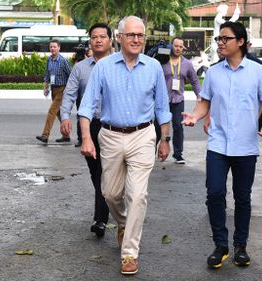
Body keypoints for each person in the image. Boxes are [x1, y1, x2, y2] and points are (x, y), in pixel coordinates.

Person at [78, 16, 172, 275]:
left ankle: (129, 253)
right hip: (109, 136)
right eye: (131, 35)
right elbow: (86, 107)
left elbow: (163, 109)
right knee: (110, 193)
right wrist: (86, 137)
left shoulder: (153, 67)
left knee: (138, 195)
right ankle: (123, 223)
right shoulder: (104, 67)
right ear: (119, 38)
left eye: (140, 35)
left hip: (143, 136)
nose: (136, 39)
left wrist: (165, 139)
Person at [181, 21, 262, 269]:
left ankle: (241, 246)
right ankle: (220, 245)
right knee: (214, 193)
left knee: (242, 198)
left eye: (226, 39)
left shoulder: (258, 72)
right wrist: (195, 115)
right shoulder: (213, 73)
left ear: (241, 42)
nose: (220, 43)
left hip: (246, 146)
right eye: (218, 39)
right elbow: (204, 103)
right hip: (218, 145)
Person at [60, 23, 112, 238]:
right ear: (90, 41)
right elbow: (70, 94)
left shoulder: (119, 64)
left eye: (102, 36)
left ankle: (100, 219)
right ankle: (106, 204)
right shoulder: (80, 68)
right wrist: (64, 117)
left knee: (104, 172)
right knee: (95, 172)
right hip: (89, 126)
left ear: (110, 39)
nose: (98, 40)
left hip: (113, 126)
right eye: (94, 37)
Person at [161, 37, 201, 164]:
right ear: (171, 46)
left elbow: (194, 80)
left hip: (178, 100)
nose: (178, 48)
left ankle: (178, 154)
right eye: (175, 45)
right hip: (163, 100)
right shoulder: (162, 61)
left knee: (178, 126)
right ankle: (155, 151)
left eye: (180, 46)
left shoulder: (187, 64)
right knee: (158, 127)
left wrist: (199, 95)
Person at [35, 39, 71, 144]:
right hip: (53, 89)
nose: (52, 49)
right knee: (59, 113)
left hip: (62, 89)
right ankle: (66, 135)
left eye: (54, 47)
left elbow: (71, 75)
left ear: (59, 48)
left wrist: (69, 91)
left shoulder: (63, 60)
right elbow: (47, 75)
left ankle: (45, 135)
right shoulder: (49, 60)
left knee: (51, 111)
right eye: (51, 47)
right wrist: (45, 87)